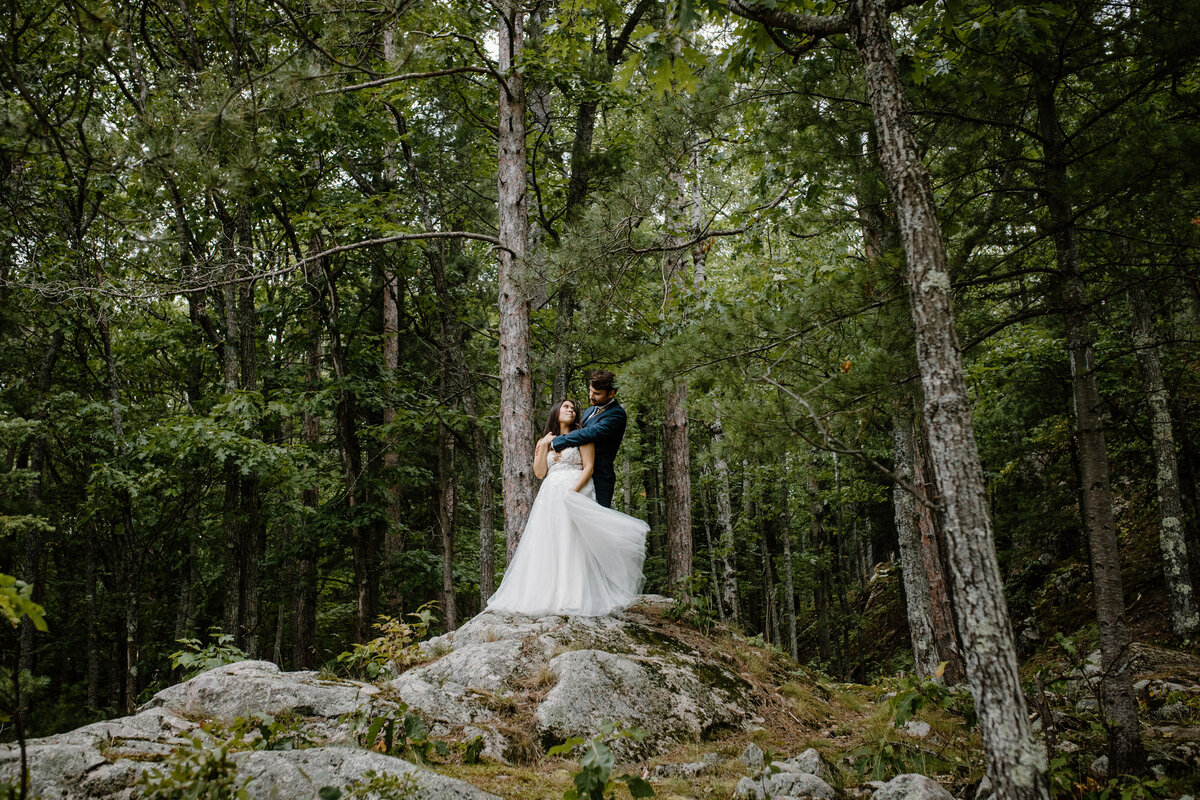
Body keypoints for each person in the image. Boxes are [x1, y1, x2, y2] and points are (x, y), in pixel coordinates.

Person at [486, 397, 648, 617]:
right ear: (556, 412)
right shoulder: (545, 440)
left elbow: (589, 467)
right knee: (551, 542)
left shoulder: (582, 435)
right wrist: (543, 446)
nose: (571, 410)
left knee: (574, 542)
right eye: (566, 407)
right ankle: (548, 596)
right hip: (550, 495)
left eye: (573, 408)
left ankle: (574, 597)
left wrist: (573, 492)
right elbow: (540, 472)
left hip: (576, 490)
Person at [550, 369, 626, 509]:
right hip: (578, 475)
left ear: (611, 393)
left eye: (597, 394)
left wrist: (557, 441)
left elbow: (588, 433)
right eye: (590, 391)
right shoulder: (590, 411)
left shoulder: (617, 415)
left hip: (600, 478)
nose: (591, 396)